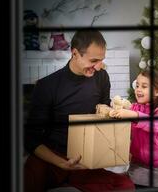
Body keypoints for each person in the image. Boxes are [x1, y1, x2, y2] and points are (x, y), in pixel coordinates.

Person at [24, 30, 135, 192]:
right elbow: (30, 139)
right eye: (93, 60)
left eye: (102, 60)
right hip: (54, 155)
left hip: (86, 157)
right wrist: (61, 162)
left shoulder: (102, 77)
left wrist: (121, 146)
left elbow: (103, 119)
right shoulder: (47, 86)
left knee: (125, 186)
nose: (98, 66)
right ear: (75, 53)